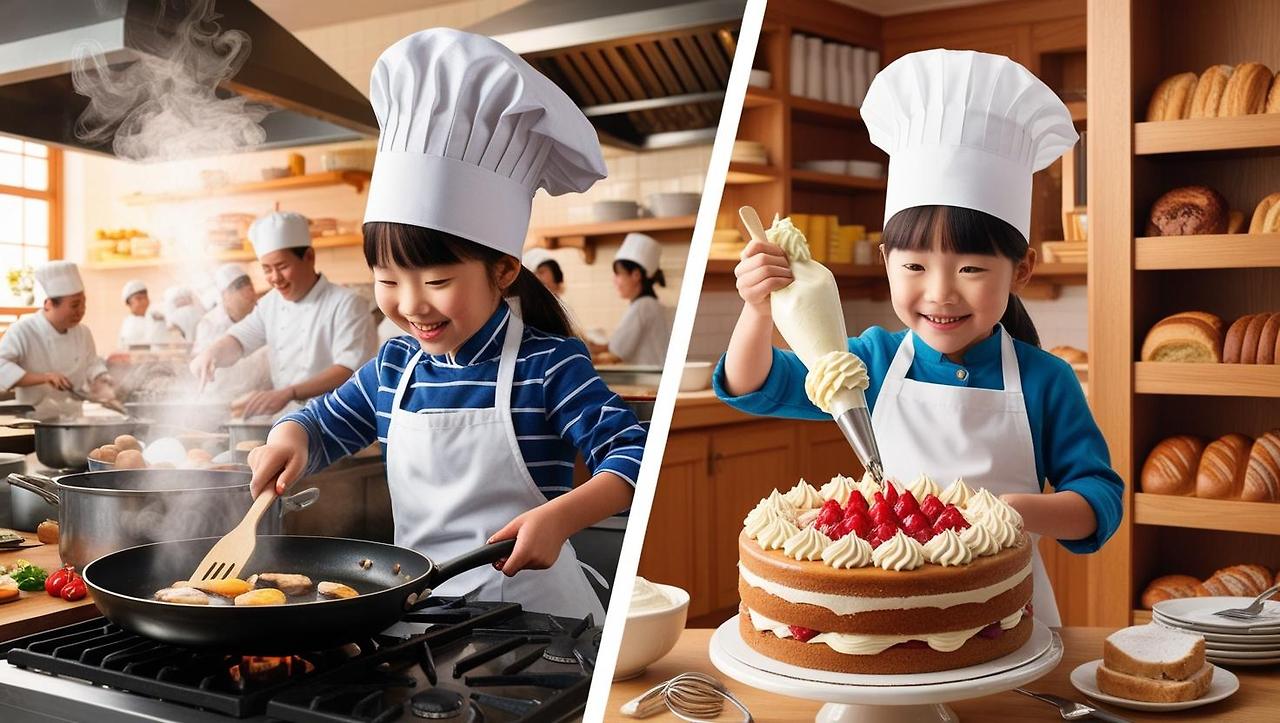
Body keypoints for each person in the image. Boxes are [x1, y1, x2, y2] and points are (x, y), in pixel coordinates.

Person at [715, 49, 1123, 627]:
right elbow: (754, 385)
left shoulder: (1044, 380)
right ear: (886, 263)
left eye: (972, 269)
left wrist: (1018, 513)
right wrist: (758, 310)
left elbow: (1099, 502)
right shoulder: (872, 363)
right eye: (914, 268)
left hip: (1008, 615)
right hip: (880, 616)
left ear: (1022, 270)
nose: (940, 294)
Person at [246, 29, 645, 620]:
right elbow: (320, 424)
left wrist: (561, 517)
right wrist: (288, 438)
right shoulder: (394, 367)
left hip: (537, 623)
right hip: (421, 613)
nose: (410, 305)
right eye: (387, 280)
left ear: (504, 269)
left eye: (435, 282)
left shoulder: (547, 365)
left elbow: (632, 453)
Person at [189, 212, 376, 419]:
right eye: (267, 269)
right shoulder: (270, 302)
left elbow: (348, 369)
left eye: (282, 267)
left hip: (338, 419)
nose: (275, 278)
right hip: (286, 420)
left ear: (309, 257)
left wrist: (289, 392)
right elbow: (239, 339)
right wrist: (211, 354)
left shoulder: (346, 304)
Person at [0, 261, 115, 419]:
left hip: (73, 419)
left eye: (83, 303)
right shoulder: (22, 330)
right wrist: (45, 377)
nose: (81, 311)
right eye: (75, 305)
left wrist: (102, 380)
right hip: (32, 421)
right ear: (48, 304)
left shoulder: (83, 332)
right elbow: (2, 367)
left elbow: (92, 364)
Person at [589, 233, 671, 366]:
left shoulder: (642, 307)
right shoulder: (649, 304)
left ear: (636, 275)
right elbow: (616, 346)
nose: (614, 281)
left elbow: (615, 354)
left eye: (618, 274)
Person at [193, 263, 271, 399]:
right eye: (239, 288)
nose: (250, 295)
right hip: (223, 397)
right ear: (225, 295)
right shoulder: (209, 324)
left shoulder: (261, 317)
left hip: (261, 396)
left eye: (250, 287)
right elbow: (205, 367)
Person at [116, 279, 167, 349]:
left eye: (145, 297)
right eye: (139, 299)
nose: (144, 301)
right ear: (128, 303)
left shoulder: (154, 318)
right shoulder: (129, 326)